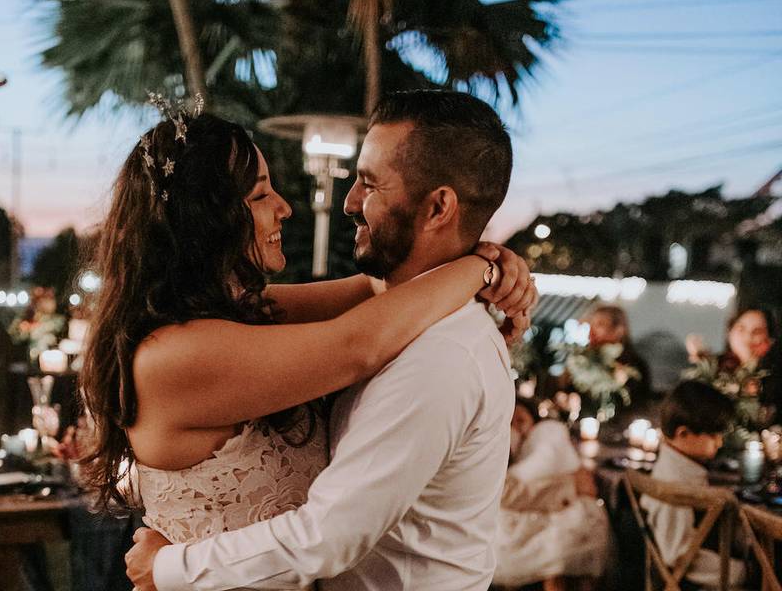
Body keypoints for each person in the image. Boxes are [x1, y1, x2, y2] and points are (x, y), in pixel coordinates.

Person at [124, 90, 524, 590]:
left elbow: (328, 536)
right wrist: (479, 266)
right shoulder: (184, 348)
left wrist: (486, 267)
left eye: (369, 184)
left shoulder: (441, 350)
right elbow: (356, 336)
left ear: (439, 207)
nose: (348, 202)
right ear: (208, 222)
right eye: (260, 194)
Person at [494, 399, 610, 589]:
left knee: (566, 543)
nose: (516, 426)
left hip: (554, 513)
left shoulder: (544, 435)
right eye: (510, 421)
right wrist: (571, 484)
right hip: (524, 518)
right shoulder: (499, 446)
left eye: (521, 419)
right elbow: (506, 492)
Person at [642, 381, 746, 588]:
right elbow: (678, 555)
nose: (719, 442)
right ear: (683, 434)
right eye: (713, 435)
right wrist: (741, 572)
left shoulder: (674, 466)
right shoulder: (675, 484)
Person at [687, 307, 780, 423]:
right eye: (741, 328)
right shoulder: (712, 368)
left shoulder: (774, 380)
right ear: (730, 331)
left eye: (757, 331)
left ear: (770, 340)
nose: (748, 337)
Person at [584, 304, 652, 404]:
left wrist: (623, 381)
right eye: (591, 324)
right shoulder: (583, 361)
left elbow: (640, 400)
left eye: (600, 324)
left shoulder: (634, 365)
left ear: (619, 330)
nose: (592, 330)